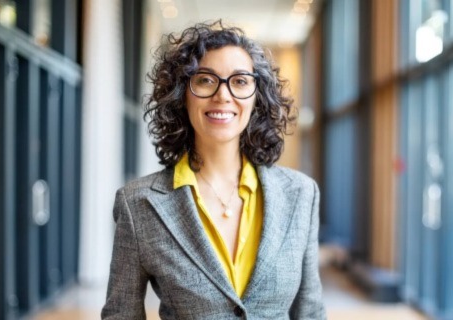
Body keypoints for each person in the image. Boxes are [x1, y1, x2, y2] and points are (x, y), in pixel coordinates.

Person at [101, 20, 326, 319]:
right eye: (206, 80)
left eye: (240, 81)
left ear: (257, 97)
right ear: (183, 93)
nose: (223, 95)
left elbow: (310, 312)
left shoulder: (301, 194)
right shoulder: (138, 205)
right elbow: (121, 315)